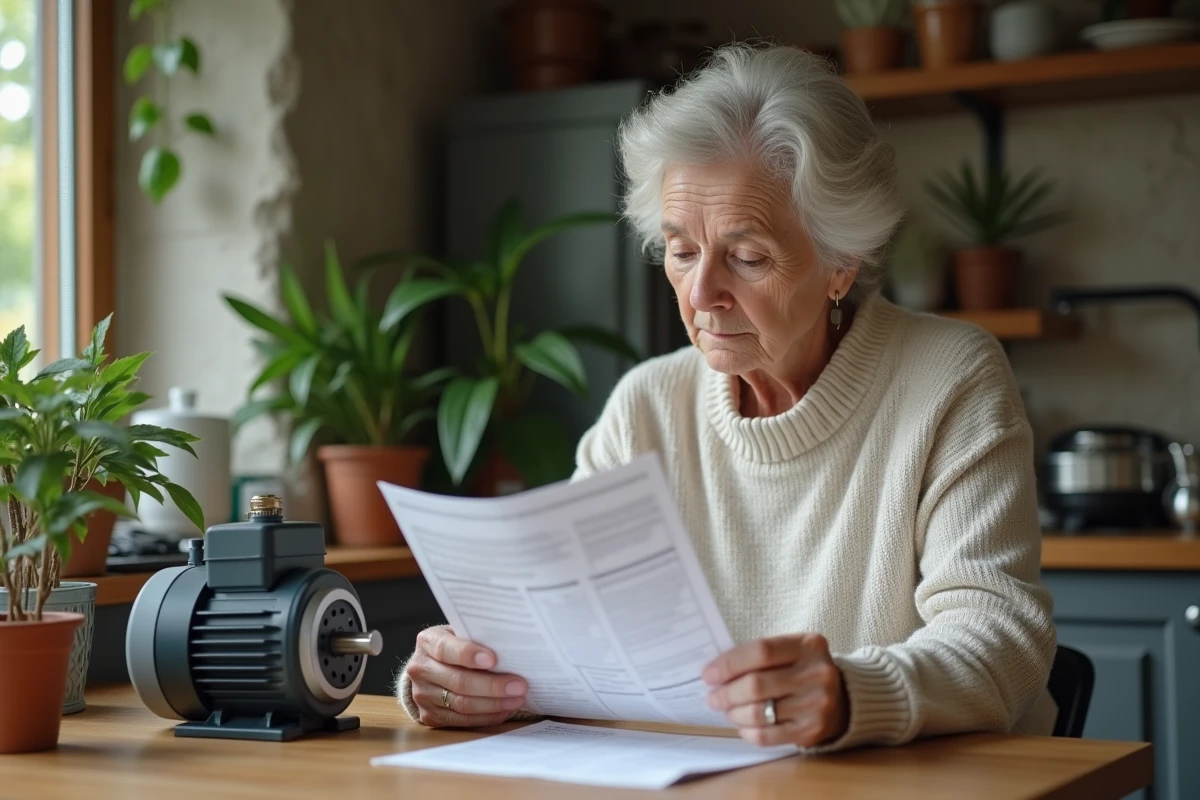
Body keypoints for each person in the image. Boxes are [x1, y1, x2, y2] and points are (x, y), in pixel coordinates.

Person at [395, 43, 1057, 752]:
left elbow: (1000, 640)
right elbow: (573, 637)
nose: (702, 293)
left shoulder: (950, 378)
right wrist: (466, 678)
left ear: (841, 261)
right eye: (681, 250)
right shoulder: (647, 406)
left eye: (747, 256)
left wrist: (849, 697)